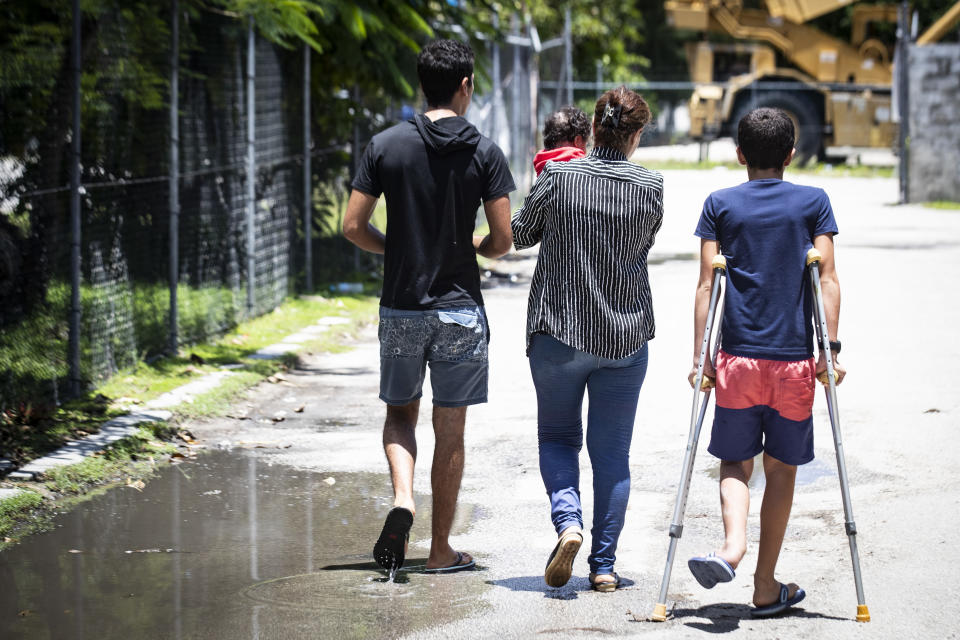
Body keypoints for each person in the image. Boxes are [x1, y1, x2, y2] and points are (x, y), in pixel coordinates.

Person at [343, 38, 515, 574]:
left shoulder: (386, 145)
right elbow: (503, 237)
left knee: (400, 414)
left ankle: (402, 501)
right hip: (460, 309)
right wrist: (477, 251)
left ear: (422, 85)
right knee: (451, 429)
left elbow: (351, 225)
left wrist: (392, 247)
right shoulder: (484, 152)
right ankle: (440, 550)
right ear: (465, 86)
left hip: (401, 306)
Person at [686, 107, 845, 617]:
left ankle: (731, 549)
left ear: (739, 155)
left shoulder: (720, 204)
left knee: (735, 461)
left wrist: (700, 359)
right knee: (780, 471)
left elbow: (708, 283)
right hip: (795, 364)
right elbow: (827, 279)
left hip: (736, 362)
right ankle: (764, 585)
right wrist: (831, 352)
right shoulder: (813, 203)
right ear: (791, 155)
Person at [511, 86, 662, 592]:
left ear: (592, 128)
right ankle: (602, 567)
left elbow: (521, 234)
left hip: (558, 332)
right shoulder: (650, 187)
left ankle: (568, 523)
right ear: (635, 135)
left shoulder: (556, 177)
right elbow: (641, 243)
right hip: (624, 338)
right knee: (612, 456)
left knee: (557, 438)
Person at [533, 106, 590, 176]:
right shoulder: (584, 173)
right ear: (578, 141)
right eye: (585, 144)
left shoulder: (540, 169)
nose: (586, 151)